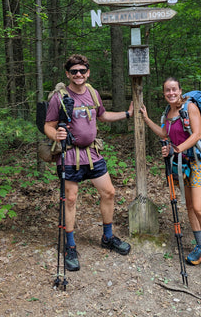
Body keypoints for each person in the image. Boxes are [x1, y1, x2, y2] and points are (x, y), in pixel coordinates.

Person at [44, 53, 133, 271]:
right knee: (71, 199)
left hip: (92, 154)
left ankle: (108, 237)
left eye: (82, 71)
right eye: (74, 71)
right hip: (69, 155)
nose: (78, 74)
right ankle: (70, 245)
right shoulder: (59, 96)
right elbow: (48, 124)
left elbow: (102, 116)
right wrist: (54, 135)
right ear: (68, 74)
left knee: (108, 192)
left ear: (88, 72)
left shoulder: (92, 93)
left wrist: (127, 114)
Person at [140, 77, 201, 278]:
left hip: (198, 164)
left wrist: (175, 149)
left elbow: (195, 135)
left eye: (174, 89)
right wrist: (146, 119)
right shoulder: (167, 113)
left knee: (200, 208)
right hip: (182, 165)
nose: (171, 93)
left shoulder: (189, 107)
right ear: (164, 93)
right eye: (167, 90)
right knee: (190, 208)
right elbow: (164, 133)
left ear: (180, 90)